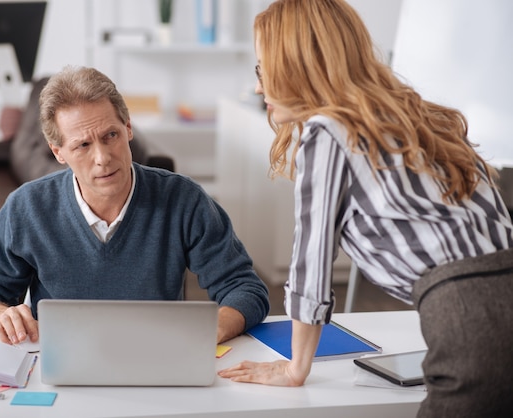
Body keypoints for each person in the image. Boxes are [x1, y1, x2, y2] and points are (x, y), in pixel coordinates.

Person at [218, 1, 513, 417]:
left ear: (298, 64)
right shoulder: (420, 116)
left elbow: (311, 261)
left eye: (263, 68)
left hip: (467, 319)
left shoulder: (327, 132)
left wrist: (295, 368)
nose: (258, 87)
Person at [0, 65, 269, 346]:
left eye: (111, 135)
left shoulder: (183, 200)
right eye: (82, 145)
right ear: (58, 152)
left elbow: (244, 288)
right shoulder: (28, 207)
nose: (103, 158)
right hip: (60, 366)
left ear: (128, 128)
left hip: (159, 361)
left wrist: (211, 330)